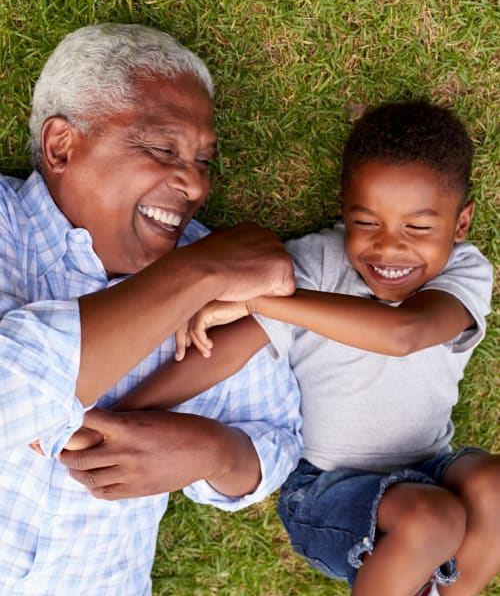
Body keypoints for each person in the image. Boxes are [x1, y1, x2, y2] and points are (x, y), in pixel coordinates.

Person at [93, 101, 500, 596]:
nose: (389, 249)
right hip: (327, 490)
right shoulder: (316, 263)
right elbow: (227, 351)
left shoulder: (465, 270)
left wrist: (262, 298)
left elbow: (405, 334)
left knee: (493, 488)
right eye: (367, 222)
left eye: (418, 228)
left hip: (432, 465)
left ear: (460, 225)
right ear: (345, 207)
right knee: (432, 518)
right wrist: (123, 413)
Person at [0, 23, 303, 594]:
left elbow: (276, 439)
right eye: (163, 149)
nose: (194, 185)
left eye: (204, 161)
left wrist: (212, 452)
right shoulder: (210, 267)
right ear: (61, 145)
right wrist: (195, 274)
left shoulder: (219, 277)